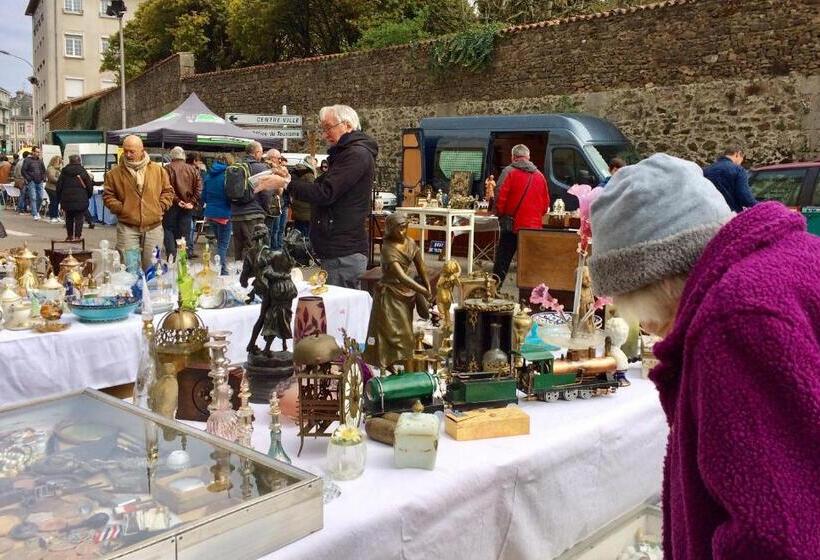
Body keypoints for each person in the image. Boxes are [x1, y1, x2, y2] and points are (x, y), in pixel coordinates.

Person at [588, 153, 820, 559]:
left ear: (657, 278)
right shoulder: (792, 258)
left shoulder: (734, 318)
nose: (647, 326)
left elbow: (774, 533)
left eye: (635, 306)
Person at [258, 105, 378, 289]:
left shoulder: (356, 154)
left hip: (343, 252)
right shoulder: (348, 154)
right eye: (323, 129)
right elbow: (320, 188)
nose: (324, 135)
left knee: (338, 312)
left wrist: (285, 184)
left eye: (328, 127)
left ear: (346, 125)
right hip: (338, 250)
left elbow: (325, 193)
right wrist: (288, 179)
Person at [363, 212, 431, 372]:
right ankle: (391, 364)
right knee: (395, 334)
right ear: (391, 229)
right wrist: (422, 289)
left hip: (406, 294)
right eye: (399, 229)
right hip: (390, 295)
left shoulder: (410, 243)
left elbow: (421, 267)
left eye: (405, 228)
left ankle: (400, 367)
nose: (403, 232)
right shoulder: (387, 249)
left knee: (402, 330)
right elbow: (401, 276)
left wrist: (427, 286)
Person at [103, 135, 175, 269]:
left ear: (142, 150)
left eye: (132, 151)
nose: (128, 154)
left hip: (153, 227)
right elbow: (108, 196)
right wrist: (122, 208)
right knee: (130, 269)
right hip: (127, 227)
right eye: (125, 151)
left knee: (153, 269)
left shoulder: (158, 170)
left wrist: (160, 207)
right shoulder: (114, 174)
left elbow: (168, 192)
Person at [492, 144, 550, 286]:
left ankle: (494, 290)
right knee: (530, 262)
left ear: (513, 157)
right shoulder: (540, 176)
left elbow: (500, 197)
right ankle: (531, 293)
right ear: (528, 157)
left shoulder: (509, 172)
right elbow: (545, 204)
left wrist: (499, 214)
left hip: (512, 225)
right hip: (533, 227)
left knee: (503, 260)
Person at [231, 141, 273, 260]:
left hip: (235, 214)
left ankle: (238, 275)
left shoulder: (235, 166)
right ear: (257, 152)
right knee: (254, 249)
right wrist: (266, 209)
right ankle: (253, 276)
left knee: (238, 250)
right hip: (254, 214)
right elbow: (266, 192)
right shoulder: (261, 168)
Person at [163, 146, 202, 259]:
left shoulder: (167, 169)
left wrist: (177, 200)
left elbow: (167, 187)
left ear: (172, 157)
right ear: (183, 157)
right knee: (184, 233)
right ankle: (182, 259)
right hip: (188, 206)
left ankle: (171, 256)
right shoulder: (193, 169)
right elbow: (199, 188)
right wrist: (192, 202)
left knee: (168, 229)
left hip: (171, 205)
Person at [202, 153, 234, 275]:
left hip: (211, 213)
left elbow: (203, 196)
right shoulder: (228, 175)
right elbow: (231, 195)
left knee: (219, 242)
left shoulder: (209, 175)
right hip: (225, 213)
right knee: (222, 245)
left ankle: (221, 268)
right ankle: (222, 270)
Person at [703, 146, 757, 213]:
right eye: (742, 158)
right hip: (730, 214)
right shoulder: (738, 170)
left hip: (710, 214)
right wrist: (760, 207)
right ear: (737, 154)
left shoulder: (706, 170)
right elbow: (745, 197)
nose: (741, 162)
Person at [56, 154, 93, 241]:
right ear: (79, 161)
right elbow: (89, 186)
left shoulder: (64, 172)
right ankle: (77, 236)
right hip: (81, 198)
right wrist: (88, 195)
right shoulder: (83, 172)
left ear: (69, 161)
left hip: (67, 198)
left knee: (69, 217)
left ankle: (69, 236)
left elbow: (59, 187)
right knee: (79, 218)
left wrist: (60, 198)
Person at [263, 148, 288, 250]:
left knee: (275, 230)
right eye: (279, 158)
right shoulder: (271, 170)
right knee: (273, 230)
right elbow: (280, 191)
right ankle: (272, 253)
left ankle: (273, 252)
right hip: (271, 206)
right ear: (273, 158)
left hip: (274, 205)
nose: (280, 160)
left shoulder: (264, 167)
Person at [289, 156, 316, 236]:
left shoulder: (298, 172)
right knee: (305, 234)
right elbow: (312, 191)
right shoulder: (309, 175)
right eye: (315, 163)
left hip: (297, 206)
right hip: (306, 209)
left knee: (298, 231)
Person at [21, 147, 46, 220]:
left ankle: (37, 211)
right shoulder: (27, 160)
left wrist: (43, 178)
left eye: (39, 152)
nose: (38, 153)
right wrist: (29, 178)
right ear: (33, 152)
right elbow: (23, 171)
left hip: (40, 181)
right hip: (32, 181)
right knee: (33, 197)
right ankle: (35, 213)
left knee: (40, 197)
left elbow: (44, 170)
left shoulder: (40, 161)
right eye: (37, 152)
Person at [45, 155, 63, 223]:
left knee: (57, 202)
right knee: (53, 202)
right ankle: (52, 216)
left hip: (57, 188)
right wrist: (60, 181)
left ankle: (56, 216)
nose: (60, 162)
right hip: (51, 187)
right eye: (59, 161)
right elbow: (51, 178)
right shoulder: (51, 168)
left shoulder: (58, 169)